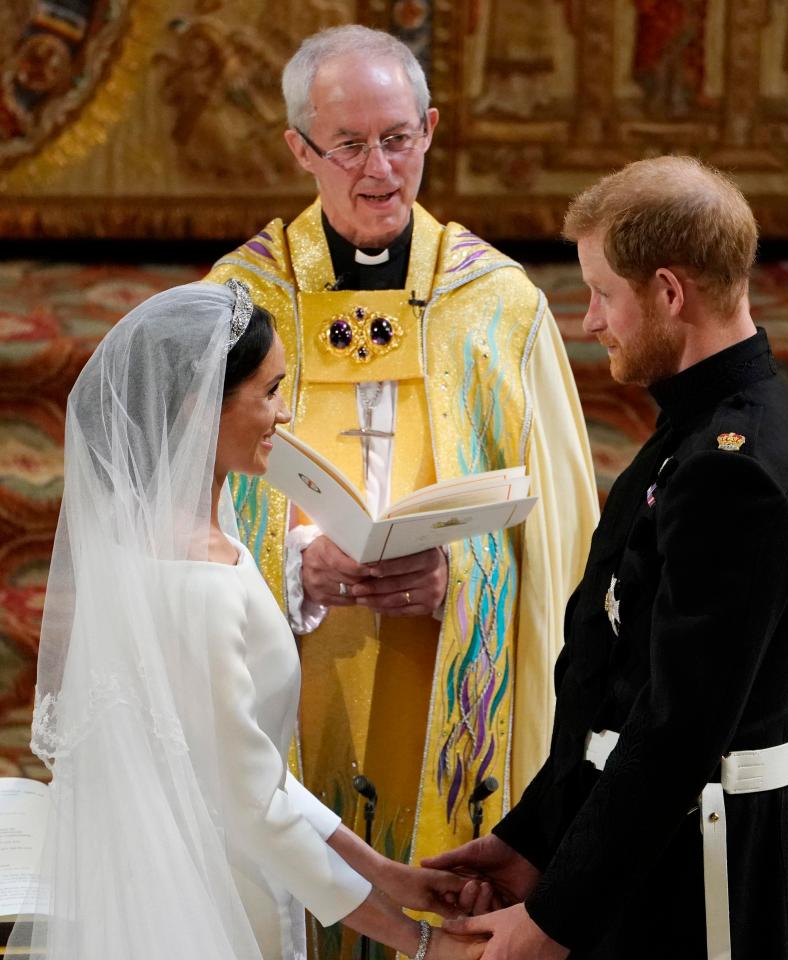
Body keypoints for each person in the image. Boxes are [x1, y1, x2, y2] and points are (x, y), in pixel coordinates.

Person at [204, 21, 599, 889]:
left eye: (398, 138)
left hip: (447, 681)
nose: (380, 170)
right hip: (290, 672)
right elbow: (170, 509)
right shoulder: (232, 306)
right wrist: (292, 564)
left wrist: (464, 577)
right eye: (349, 145)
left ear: (431, 128)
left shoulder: (499, 306)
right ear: (299, 149)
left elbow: (566, 543)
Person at [425, 156, 788, 960]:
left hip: (700, 874)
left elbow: (675, 733)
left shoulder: (730, 469)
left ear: (669, 293)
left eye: (603, 294)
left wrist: (553, 919)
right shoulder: (701, 420)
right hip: (654, 848)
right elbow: (615, 685)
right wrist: (533, 840)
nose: (590, 322)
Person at [10, 281, 485, 960]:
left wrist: (390, 876)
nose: (284, 415)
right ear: (201, 407)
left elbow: (257, 773)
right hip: (207, 905)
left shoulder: (196, 543)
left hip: (228, 880)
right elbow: (253, 808)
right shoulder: (192, 579)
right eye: (268, 393)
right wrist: (419, 944)